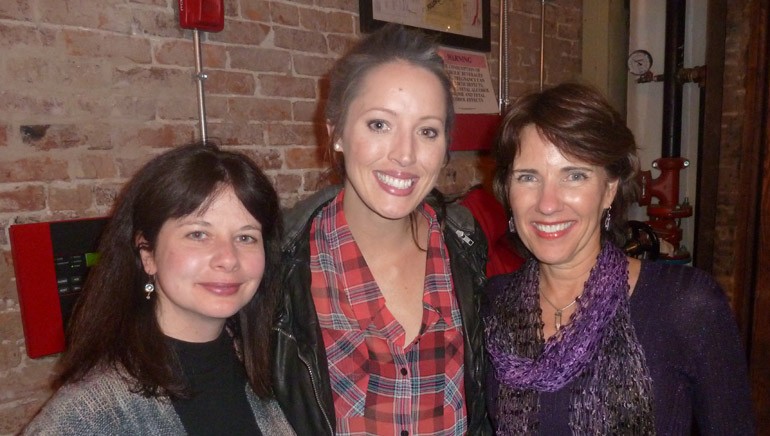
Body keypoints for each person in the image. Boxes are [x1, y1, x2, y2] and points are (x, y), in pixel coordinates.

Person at [483, 82, 755, 435]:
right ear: (508, 190)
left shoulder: (687, 305)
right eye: (528, 177)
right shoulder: (495, 303)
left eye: (575, 175)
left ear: (609, 189)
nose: (547, 203)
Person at [272, 23, 491, 435]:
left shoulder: (465, 248)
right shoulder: (283, 261)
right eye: (379, 125)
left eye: (427, 131)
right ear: (335, 132)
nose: (405, 155)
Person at [24, 143, 295, 435]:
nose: (228, 258)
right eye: (198, 234)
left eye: (245, 237)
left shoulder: (275, 371)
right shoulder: (91, 413)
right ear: (147, 253)